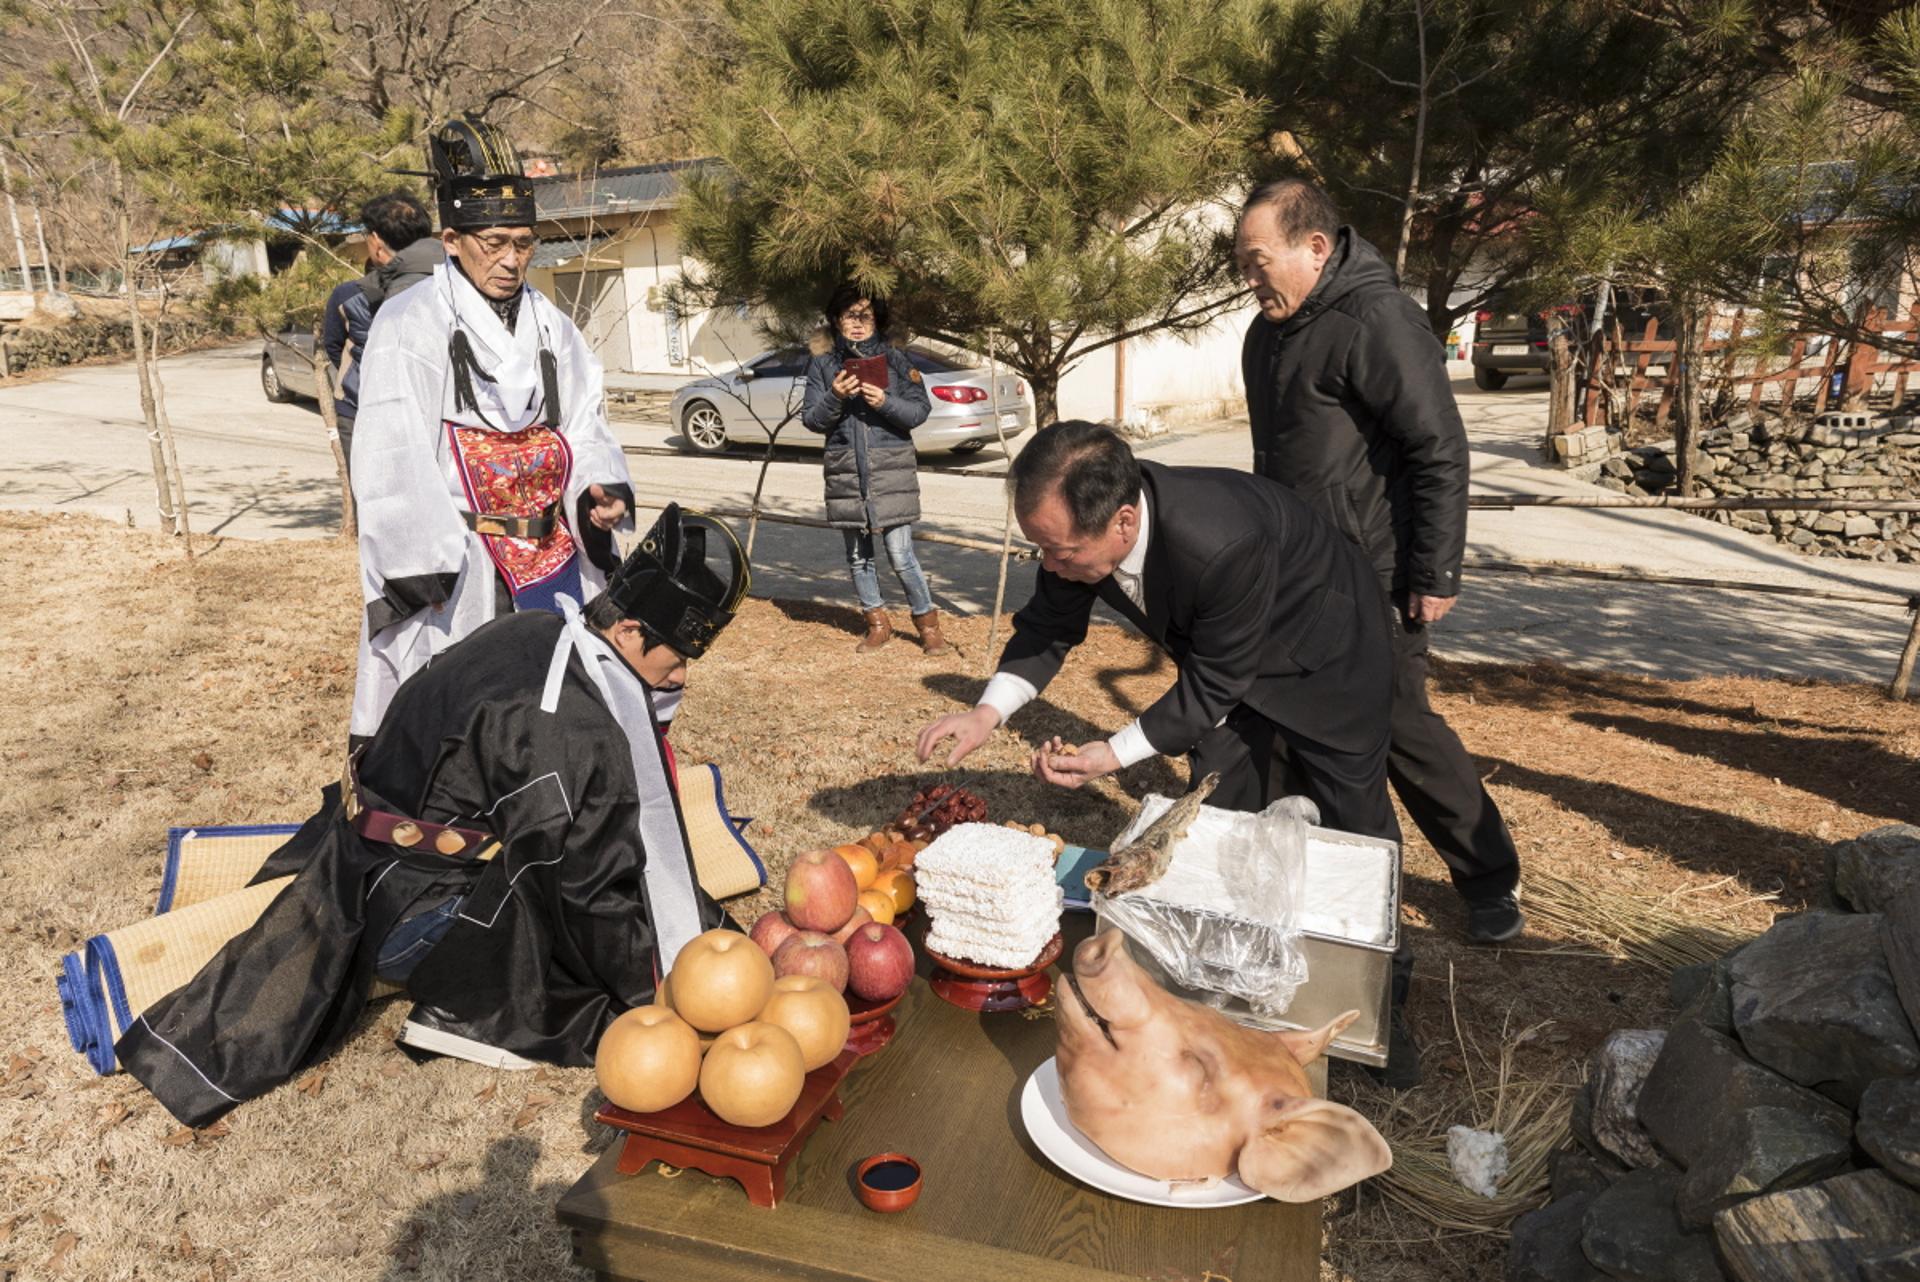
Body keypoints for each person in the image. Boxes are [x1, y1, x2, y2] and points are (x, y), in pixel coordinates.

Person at [117, 506, 751, 1127]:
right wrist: (668, 991)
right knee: (553, 917)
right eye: (678, 657)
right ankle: (458, 999)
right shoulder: (574, 729)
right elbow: (590, 892)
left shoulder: (531, 629)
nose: (681, 676)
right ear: (630, 630)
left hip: (355, 855)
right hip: (404, 918)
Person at [1235, 177, 1524, 946]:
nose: (1250, 277)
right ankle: (1310, 877)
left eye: (1259, 260)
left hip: (1377, 575)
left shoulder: (1377, 319)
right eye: (1244, 264)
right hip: (1296, 577)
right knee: (1286, 723)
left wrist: (1434, 573)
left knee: (1400, 728)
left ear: (1314, 247)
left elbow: (1439, 449)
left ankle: (1489, 877)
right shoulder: (1267, 334)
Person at [916, 420, 1397, 841]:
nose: (1049, 565)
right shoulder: (1078, 534)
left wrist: (1112, 754)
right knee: (1217, 814)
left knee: (1351, 822)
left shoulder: (1220, 543)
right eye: (1040, 548)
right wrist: (986, 714)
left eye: (1059, 552)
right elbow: (1047, 627)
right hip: (1227, 663)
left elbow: (1216, 680)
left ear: (1123, 522)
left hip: (1325, 652)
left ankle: (1374, 922)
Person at [348, 117, 634, 743]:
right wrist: (424, 564)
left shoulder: (552, 324)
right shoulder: (409, 322)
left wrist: (599, 487)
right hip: (463, 562)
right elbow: (392, 452)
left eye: (524, 243)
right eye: (495, 242)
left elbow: (585, 421)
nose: (511, 260)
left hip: (554, 554)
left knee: (562, 710)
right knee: (467, 719)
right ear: (452, 240)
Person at [801, 283, 947, 655]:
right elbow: (812, 420)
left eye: (865, 316)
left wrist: (884, 402)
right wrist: (835, 396)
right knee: (857, 556)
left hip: (890, 467)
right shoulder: (823, 365)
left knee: (901, 554)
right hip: (846, 469)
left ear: (876, 320)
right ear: (836, 320)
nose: (857, 323)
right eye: (849, 315)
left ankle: (928, 627)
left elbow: (919, 411)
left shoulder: (896, 359)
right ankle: (877, 624)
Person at [320, 191, 444, 470]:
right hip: (439, 412)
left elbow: (334, 347)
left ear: (376, 242)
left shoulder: (348, 296)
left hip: (362, 411)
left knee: (374, 491)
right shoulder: (458, 283)